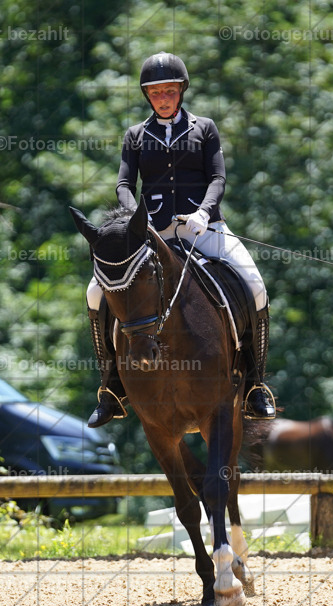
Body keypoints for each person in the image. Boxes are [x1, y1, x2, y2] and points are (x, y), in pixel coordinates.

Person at [84, 51, 276, 427]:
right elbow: (124, 184)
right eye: (156, 93)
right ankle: (110, 388)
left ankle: (254, 384)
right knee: (95, 292)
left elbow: (218, 179)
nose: (164, 98)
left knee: (256, 287)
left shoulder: (204, 128)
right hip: (151, 235)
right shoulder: (136, 136)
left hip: (203, 227)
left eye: (170, 91)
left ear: (181, 91)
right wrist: (134, 221)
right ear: (148, 97)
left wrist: (204, 212)